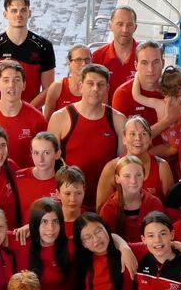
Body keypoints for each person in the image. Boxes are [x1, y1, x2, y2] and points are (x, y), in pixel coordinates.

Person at [48, 63, 124, 208]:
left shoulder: (118, 120)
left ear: (107, 88)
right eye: (90, 83)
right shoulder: (60, 118)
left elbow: (122, 166)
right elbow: (50, 165)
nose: (95, 89)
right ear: (80, 86)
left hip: (106, 202)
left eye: (100, 84)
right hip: (71, 202)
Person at [0, 0, 55, 103]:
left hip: (33, 111)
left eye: (23, 10)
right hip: (3, 111)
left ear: (29, 13)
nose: (19, 14)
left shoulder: (44, 47)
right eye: (14, 10)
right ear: (5, 14)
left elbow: (49, 89)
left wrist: (29, 109)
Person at [0, 61, 45, 169]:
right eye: (6, 80)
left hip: (26, 177)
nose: (11, 85)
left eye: (17, 80)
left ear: (24, 85)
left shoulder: (38, 120)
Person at [95, 117, 173, 209]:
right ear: (124, 138)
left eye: (143, 134)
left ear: (150, 139)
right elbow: (101, 209)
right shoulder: (111, 168)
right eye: (132, 134)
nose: (138, 138)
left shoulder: (161, 166)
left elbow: (170, 207)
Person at [42, 44, 95, 117]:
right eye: (78, 60)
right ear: (69, 62)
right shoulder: (57, 88)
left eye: (87, 59)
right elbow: (47, 120)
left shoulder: (97, 88)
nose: (84, 64)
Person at [90, 8, 137, 86]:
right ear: (110, 26)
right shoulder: (98, 57)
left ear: (135, 28)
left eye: (129, 25)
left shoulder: (145, 56)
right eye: (120, 24)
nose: (125, 30)